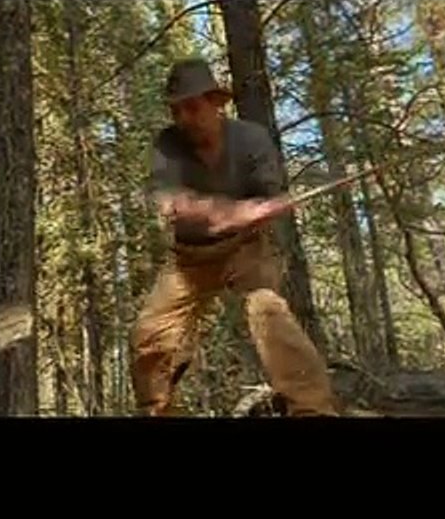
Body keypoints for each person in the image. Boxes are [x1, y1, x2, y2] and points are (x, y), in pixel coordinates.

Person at [129, 57, 338, 417]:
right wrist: (218, 211)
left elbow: (271, 195)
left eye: (192, 107)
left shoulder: (251, 139)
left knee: (266, 308)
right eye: (176, 110)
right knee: (150, 333)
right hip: (188, 258)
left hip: (245, 249)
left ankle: (312, 409)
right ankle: (157, 410)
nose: (184, 118)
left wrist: (258, 210)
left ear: (215, 102)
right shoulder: (167, 144)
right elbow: (168, 200)